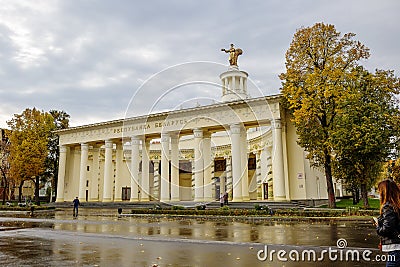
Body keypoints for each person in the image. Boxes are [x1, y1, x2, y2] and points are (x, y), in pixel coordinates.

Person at [375, 179, 400, 267]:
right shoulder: (397, 206)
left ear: (384, 192)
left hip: (395, 248)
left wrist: (378, 227)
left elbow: (387, 228)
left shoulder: (388, 206)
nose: (378, 194)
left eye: (379, 191)